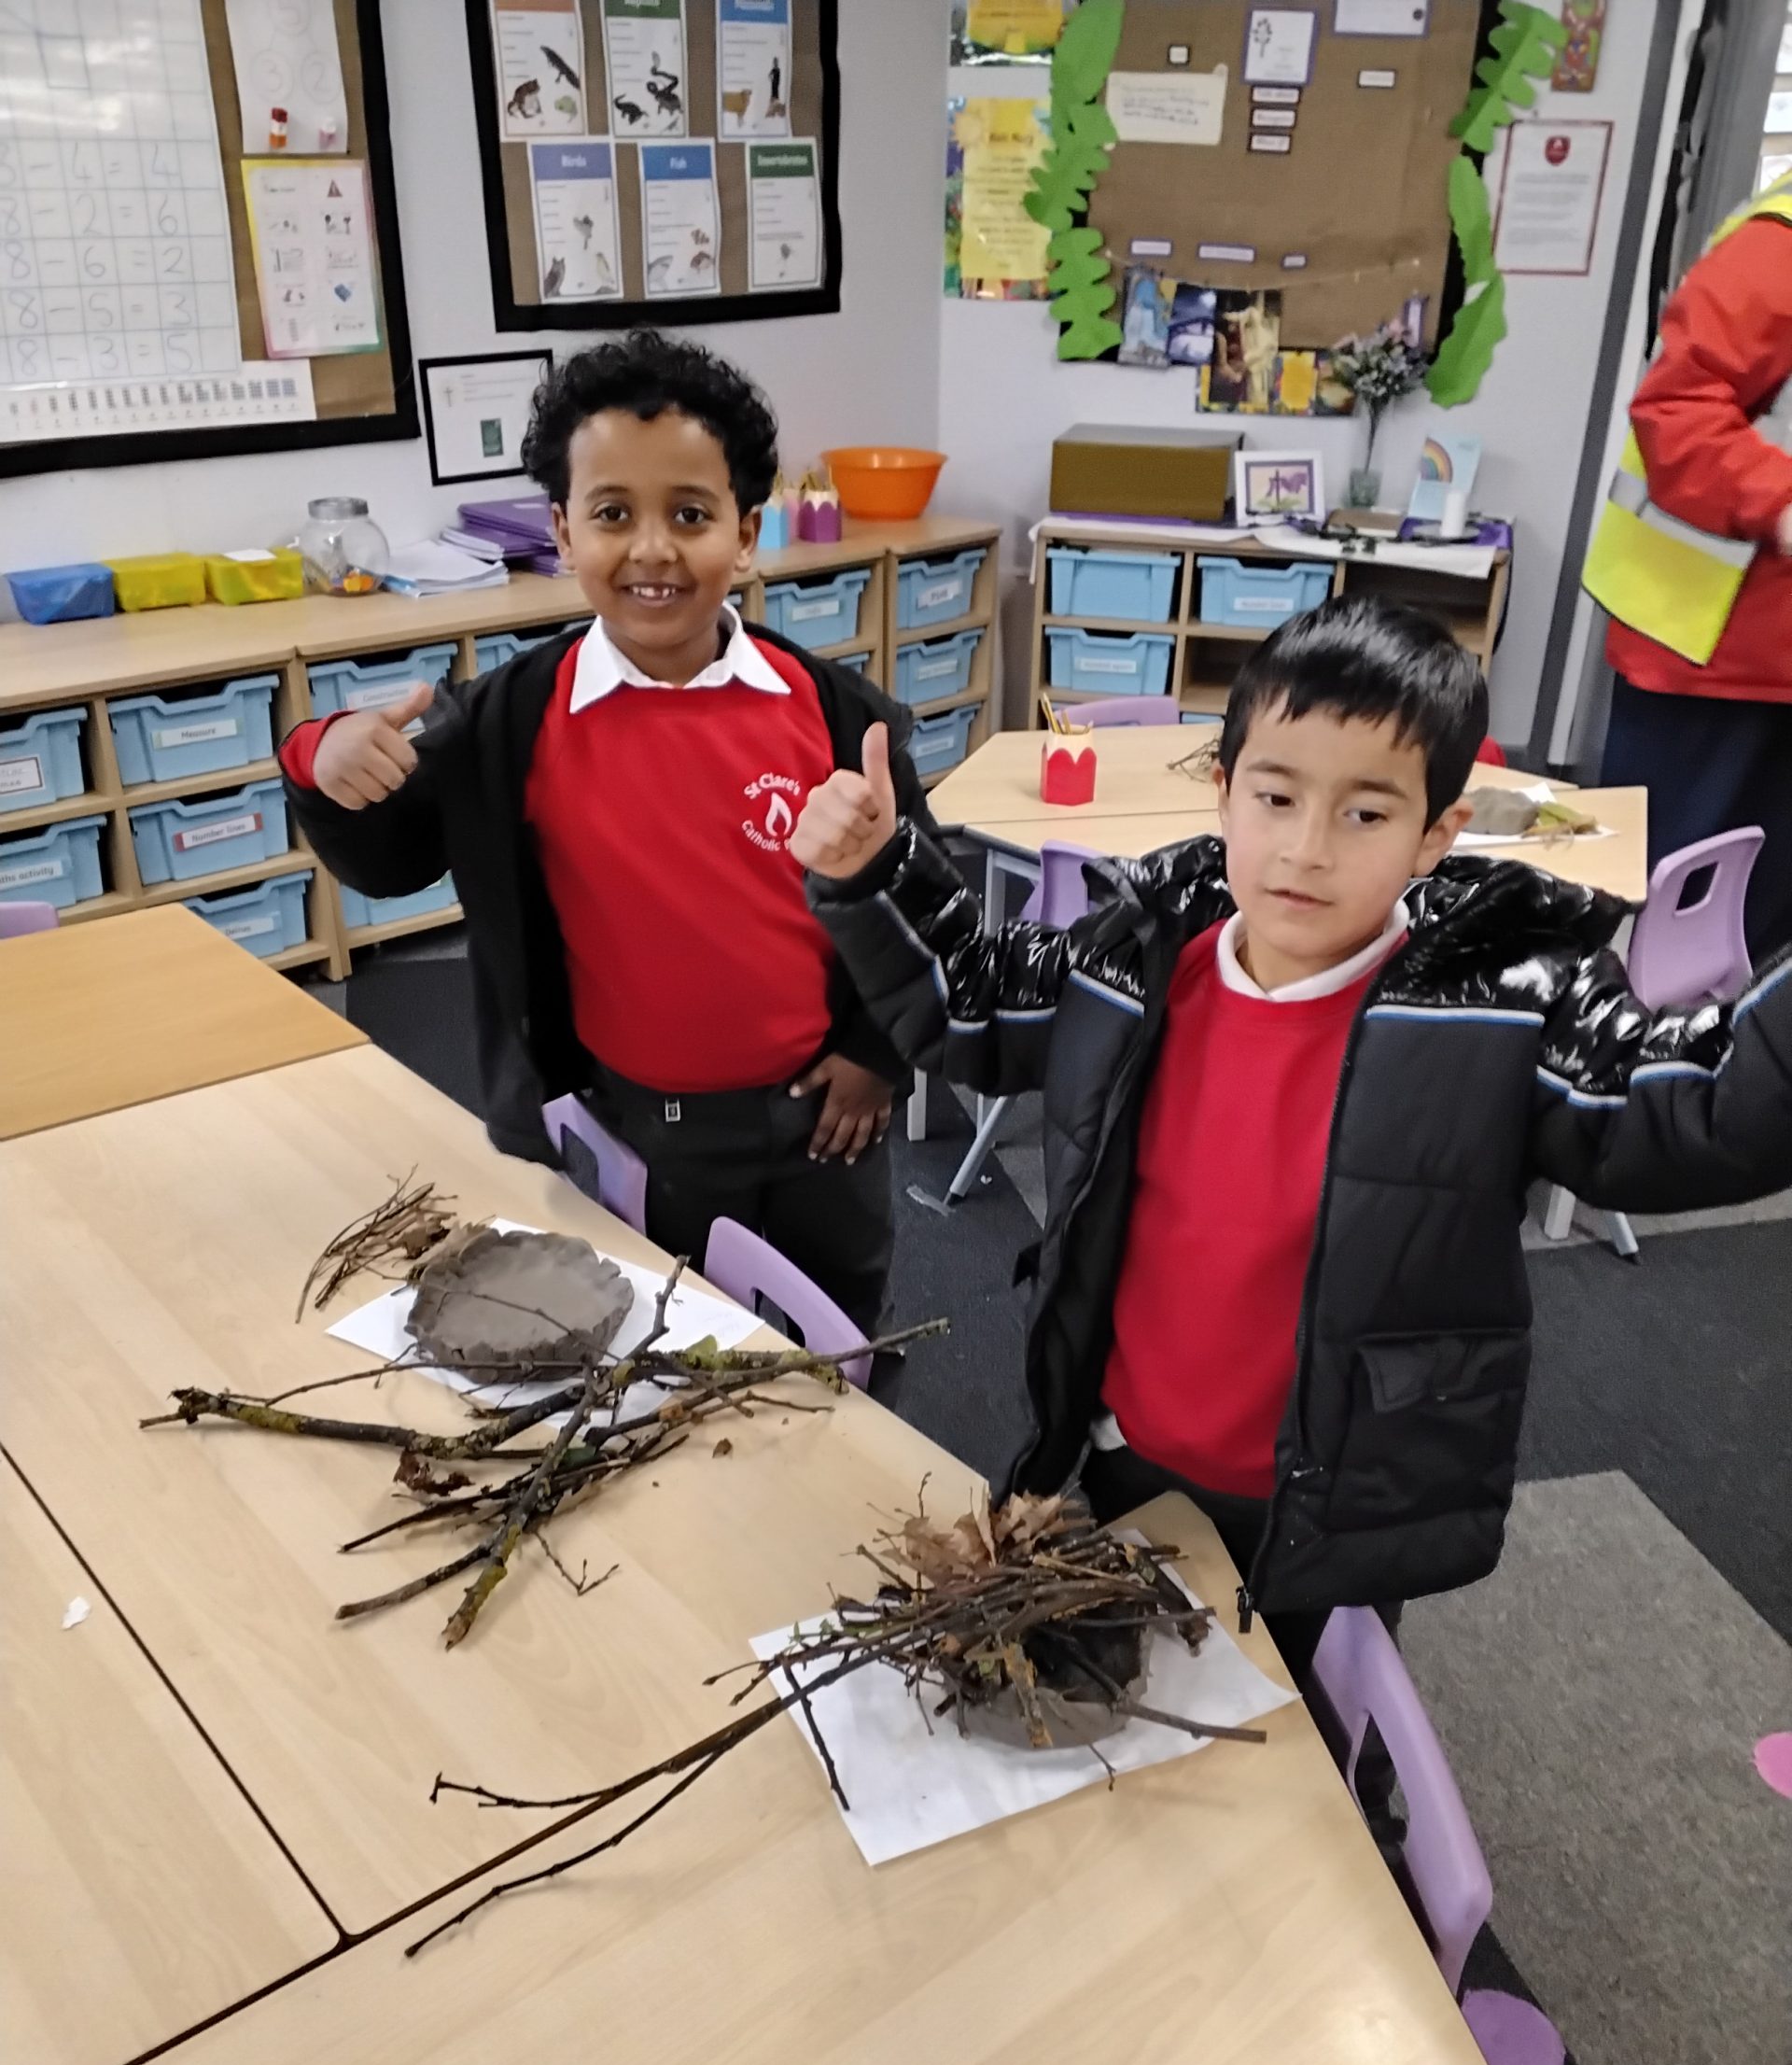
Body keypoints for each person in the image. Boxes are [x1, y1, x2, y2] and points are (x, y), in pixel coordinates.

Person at [791, 597, 1792, 1689]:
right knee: (1132, 1696)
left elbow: (1702, 1107)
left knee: (1309, 1724)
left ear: (1436, 833)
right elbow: (971, 1003)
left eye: (1366, 813)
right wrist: (875, 871)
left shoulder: (1501, 1005)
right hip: (1127, 1451)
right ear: (1224, 792)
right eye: (1275, 797)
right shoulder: (1139, 956)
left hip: (1330, 1496)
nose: (1306, 850)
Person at [281, 331, 931, 1331]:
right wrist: (324, 761)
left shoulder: (834, 712)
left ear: (746, 532)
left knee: (843, 1332)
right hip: (640, 1125)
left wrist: (876, 1051)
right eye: (613, 513)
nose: (653, 549)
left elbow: (920, 902)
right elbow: (390, 855)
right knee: (665, 1339)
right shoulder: (511, 721)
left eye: (691, 514)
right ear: (563, 530)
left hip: (828, 1114)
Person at [1585, 169, 1792, 958]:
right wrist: (1781, 501)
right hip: (1710, 657)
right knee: (1670, 932)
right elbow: (1677, 409)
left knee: (1764, 949)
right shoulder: (1779, 244)